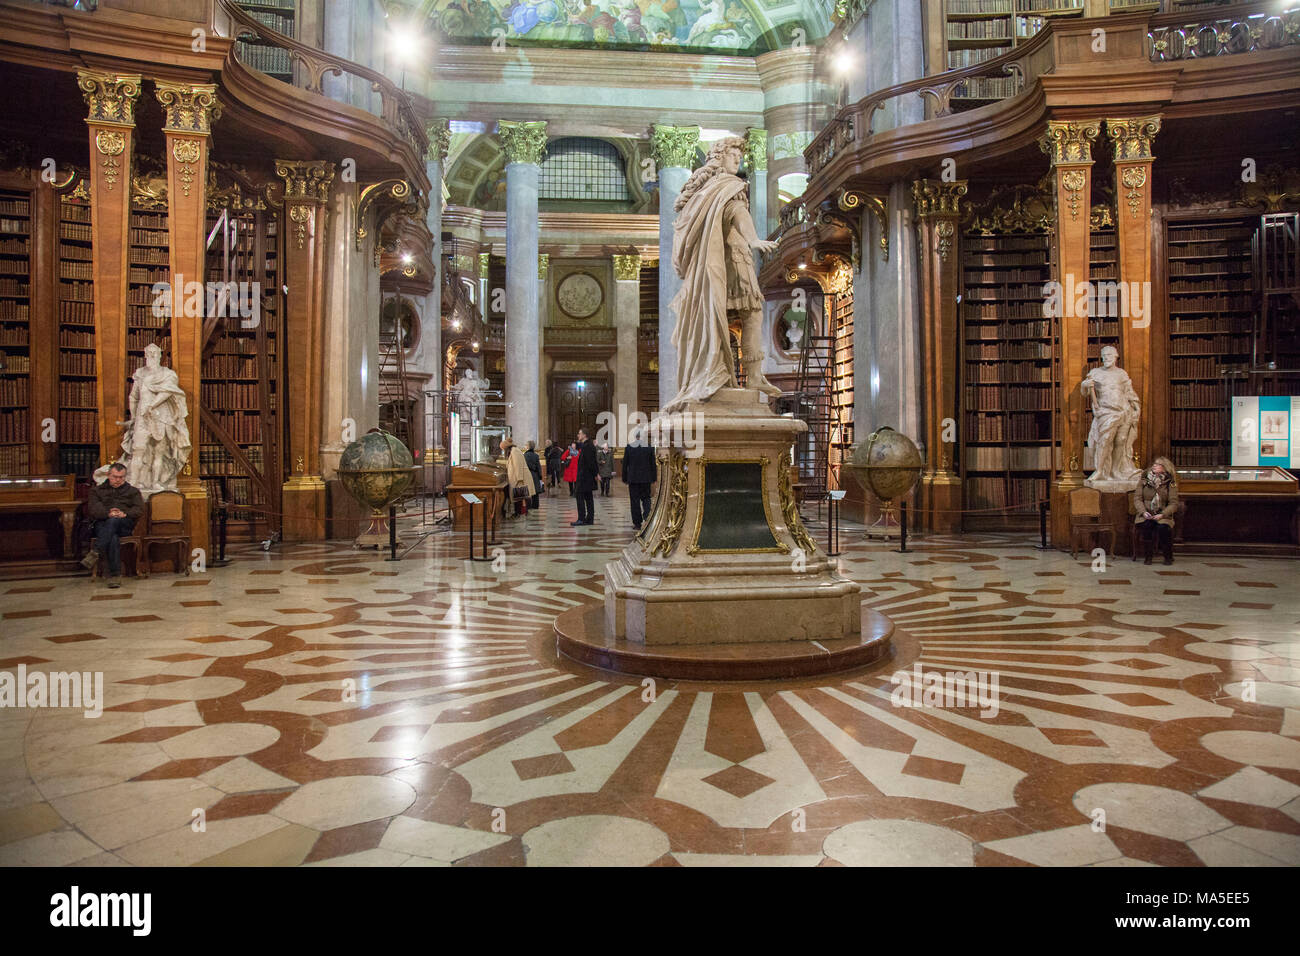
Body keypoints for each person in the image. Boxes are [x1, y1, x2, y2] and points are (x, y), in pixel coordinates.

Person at [662, 135, 781, 412]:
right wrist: (753, 240)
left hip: (711, 265)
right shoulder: (729, 187)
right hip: (732, 259)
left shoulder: (705, 191)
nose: (737, 162)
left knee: (716, 318)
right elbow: (740, 214)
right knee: (751, 313)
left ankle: (719, 374)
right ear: (719, 157)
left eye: (740, 158)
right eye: (734, 157)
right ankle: (752, 377)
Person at [1080, 345, 1141, 486]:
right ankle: (1100, 470)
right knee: (1105, 440)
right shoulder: (1095, 373)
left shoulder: (1121, 374)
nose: (1106, 358)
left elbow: (1129, 392)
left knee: (1121, 440)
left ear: (1115, 357)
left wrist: (1135, 408)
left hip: (1124, 411)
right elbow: (1085, 393)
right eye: (1104, 355)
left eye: (1109, 355)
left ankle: (1115, 471)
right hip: (1106, 412)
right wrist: (1084, 385)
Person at [81, 462, 144, 588]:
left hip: (124, 524)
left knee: (115, 522)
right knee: (112, 536)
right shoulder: (97, 491)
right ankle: (115, 576)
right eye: (115, 477)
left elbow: (139, 509)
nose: (118, 480)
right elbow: (93, 510)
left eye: (121, 477)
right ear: (108, 475)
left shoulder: (133, 491)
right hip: (102, 523)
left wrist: (124, 513)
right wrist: (108, 514)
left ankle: (95, 552)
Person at [1133, 457, 1179, 565]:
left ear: (1164, 468)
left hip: (1162, 515)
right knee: (1146, 526)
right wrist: (1143, 512)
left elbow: (1174, 503)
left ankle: (1168, 556)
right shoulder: (1144, 481)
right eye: (1154, 464)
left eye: (1158, 464)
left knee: (1163, 528)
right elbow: (1137, 499)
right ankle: (1148, 557)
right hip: (1146, 513)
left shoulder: (1170, 483)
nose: (1154, 465)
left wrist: (1162, 514)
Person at [622, 434, 656, 531]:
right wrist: (653, 478)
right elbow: (652, 464)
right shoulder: (649, 448)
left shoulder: (629, 447)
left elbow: (625, 464)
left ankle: (637, 523)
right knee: (646, 499)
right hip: (646, 479)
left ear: (635, 437)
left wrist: (625, 478)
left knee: (634, 501)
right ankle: (647, 518)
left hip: (633, 479)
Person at [500, 437, 538, 518]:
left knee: (520, 495)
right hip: (517, 477)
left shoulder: (515, 451)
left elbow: (518, 465)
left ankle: (521, 512)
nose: (503, 451)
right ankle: (520, 512)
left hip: (520, 478)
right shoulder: (513, 450)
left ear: (506, 447)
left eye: (503, 449)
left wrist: (519, 478)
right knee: (520, 496)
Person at [572, 429, 599, 527]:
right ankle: (589, 519)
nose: (578, 435)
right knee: (588, 498)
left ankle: (581, 519)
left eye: (579, 433)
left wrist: (596, 473)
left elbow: (591, 462)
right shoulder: (587, 445)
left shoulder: (588, 446)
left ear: (584, 435)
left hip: (585, 477)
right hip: (587, 477)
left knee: (580, 496)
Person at [523, 440, 543, 512]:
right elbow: (539, 467)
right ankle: (535, 505)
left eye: (526, 445)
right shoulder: (536, 455)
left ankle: (528, 506)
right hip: (535, 474)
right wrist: (540, 476)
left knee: (528, 491)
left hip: (527, 474)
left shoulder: (524, 455)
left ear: (528, 446)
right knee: (535, 491)